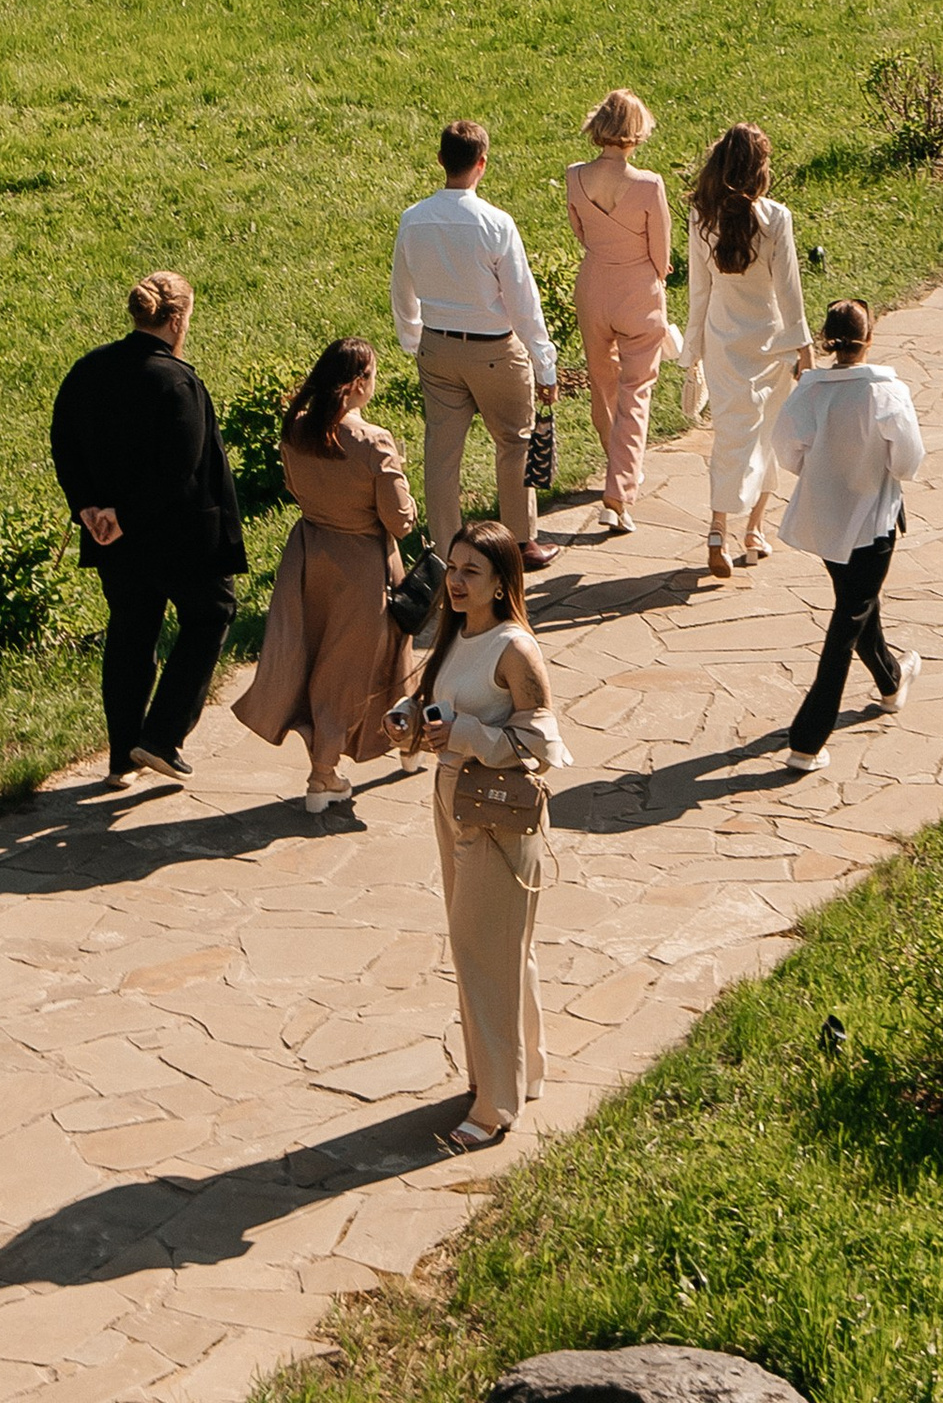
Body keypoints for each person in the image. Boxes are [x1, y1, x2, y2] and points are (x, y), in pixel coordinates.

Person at [390, 521, 568, 1153]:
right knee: (501, 949)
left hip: (497, 814)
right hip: (452, 803)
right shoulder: (456, 634)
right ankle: (524, 1072)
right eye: (454, 568)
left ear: (501, 582)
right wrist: (411, 718)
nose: (457, 582)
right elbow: (442, 703)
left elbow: (542, 747)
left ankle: (494, 1107)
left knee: (480, 951)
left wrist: (464, 734)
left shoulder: (515, 649)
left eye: (473, 572)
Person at [49, 271, 246, 787]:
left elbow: (64, 443)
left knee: (131, 630)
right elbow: (179, 468)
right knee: (212, 613)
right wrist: (126, 515)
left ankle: (121, 757)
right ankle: (161, 737)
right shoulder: (176, 381)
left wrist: (90, 508)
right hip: (181, 537)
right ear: (177, 320)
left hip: (110, 537)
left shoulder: (88, 370)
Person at [230, 339, 416, 817]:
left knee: (315, 657)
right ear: (356, 384)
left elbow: (295, 488)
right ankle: (326, 771)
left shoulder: (296, 429)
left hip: (310, 557)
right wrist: (408, 495)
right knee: (357, 665)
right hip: (363, 564)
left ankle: (395, 739)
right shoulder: (374, 442)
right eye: (372, 374)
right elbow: (399, 521)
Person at [391, 123, 560, 574]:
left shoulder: (413, 219)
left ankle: (446, 549)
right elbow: (523, 302)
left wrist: (414, 340)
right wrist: (544, 364)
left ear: (440, 160)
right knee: (514, 442)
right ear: (481, 163)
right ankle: (520, 543)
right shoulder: (496, 223)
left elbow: (402, 289)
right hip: (495, 350)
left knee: (441, 453)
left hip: (436, 346)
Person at [778, 301, 924, 773]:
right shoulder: (886, 393)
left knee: (858, 603)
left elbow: (787, 451)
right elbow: (907, 461)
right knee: (849, 619)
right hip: (872, 522)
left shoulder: (808, 392)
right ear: (870, 339)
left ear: (827, 341)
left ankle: (892, 682)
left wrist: (821, 468)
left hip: (826, 519)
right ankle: (807, 739)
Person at [684, 124, 811, 581]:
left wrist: (692, 350)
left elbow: (699, 291)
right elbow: (789, 289)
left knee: (731, 435)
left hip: (722, 340)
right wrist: (804, 348)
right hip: (771, 343)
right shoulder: (776, 218)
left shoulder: (701, 218)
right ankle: (755, 531)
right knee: (769, 434)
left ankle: (718, 529)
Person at [565, 89, 674, 539]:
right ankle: (618, 496)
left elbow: (579, 230)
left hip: (593, 287)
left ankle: (617, 469)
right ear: (636, 132)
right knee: (635, 395)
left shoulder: (575, 176)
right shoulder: (649, 184)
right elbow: (662, 254)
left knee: (602, 384)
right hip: (638, 292)